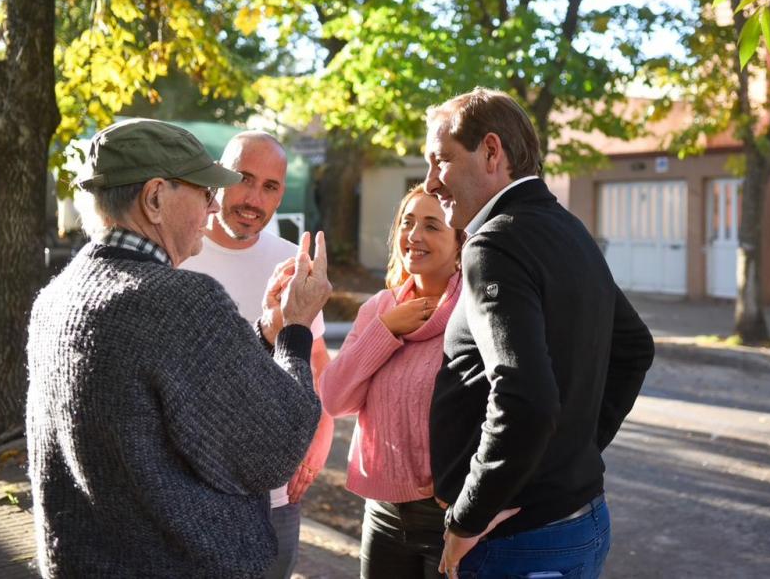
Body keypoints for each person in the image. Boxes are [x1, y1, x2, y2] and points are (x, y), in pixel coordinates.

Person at [25, 118, 331, 578]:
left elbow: (168, 382)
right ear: (154, 199)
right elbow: (277, 447)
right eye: (203, 191)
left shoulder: (57, 295)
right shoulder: (179, 299)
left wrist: (267, 329)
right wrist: (296, 329)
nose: (212, 207)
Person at [422, 89, 655, 578]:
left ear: (491, 152)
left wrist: (468, 517)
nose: (430, 182)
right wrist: (572, 453)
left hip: (517, 541)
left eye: (440, 161)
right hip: (577, 520)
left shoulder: (494, 241)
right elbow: (635, 348)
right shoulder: (567, 227)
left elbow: (525, 396)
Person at [179, 131, 333, 579]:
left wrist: (317, 443)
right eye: (243, 179)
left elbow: (317, 360)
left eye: (270, 187)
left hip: (274, 492)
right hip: (191, 489)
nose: (253, 199)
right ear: (217, 175)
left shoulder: (291, 260)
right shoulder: (178, 251)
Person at [319, 184, 464, 578]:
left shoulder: (473, 313)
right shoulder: (379, 309)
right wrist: (384, 330)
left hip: (449, 517)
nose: (414, 236)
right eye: (407, 222)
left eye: (432, 226)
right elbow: (334, 399)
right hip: (383, 512)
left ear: (460, 242)